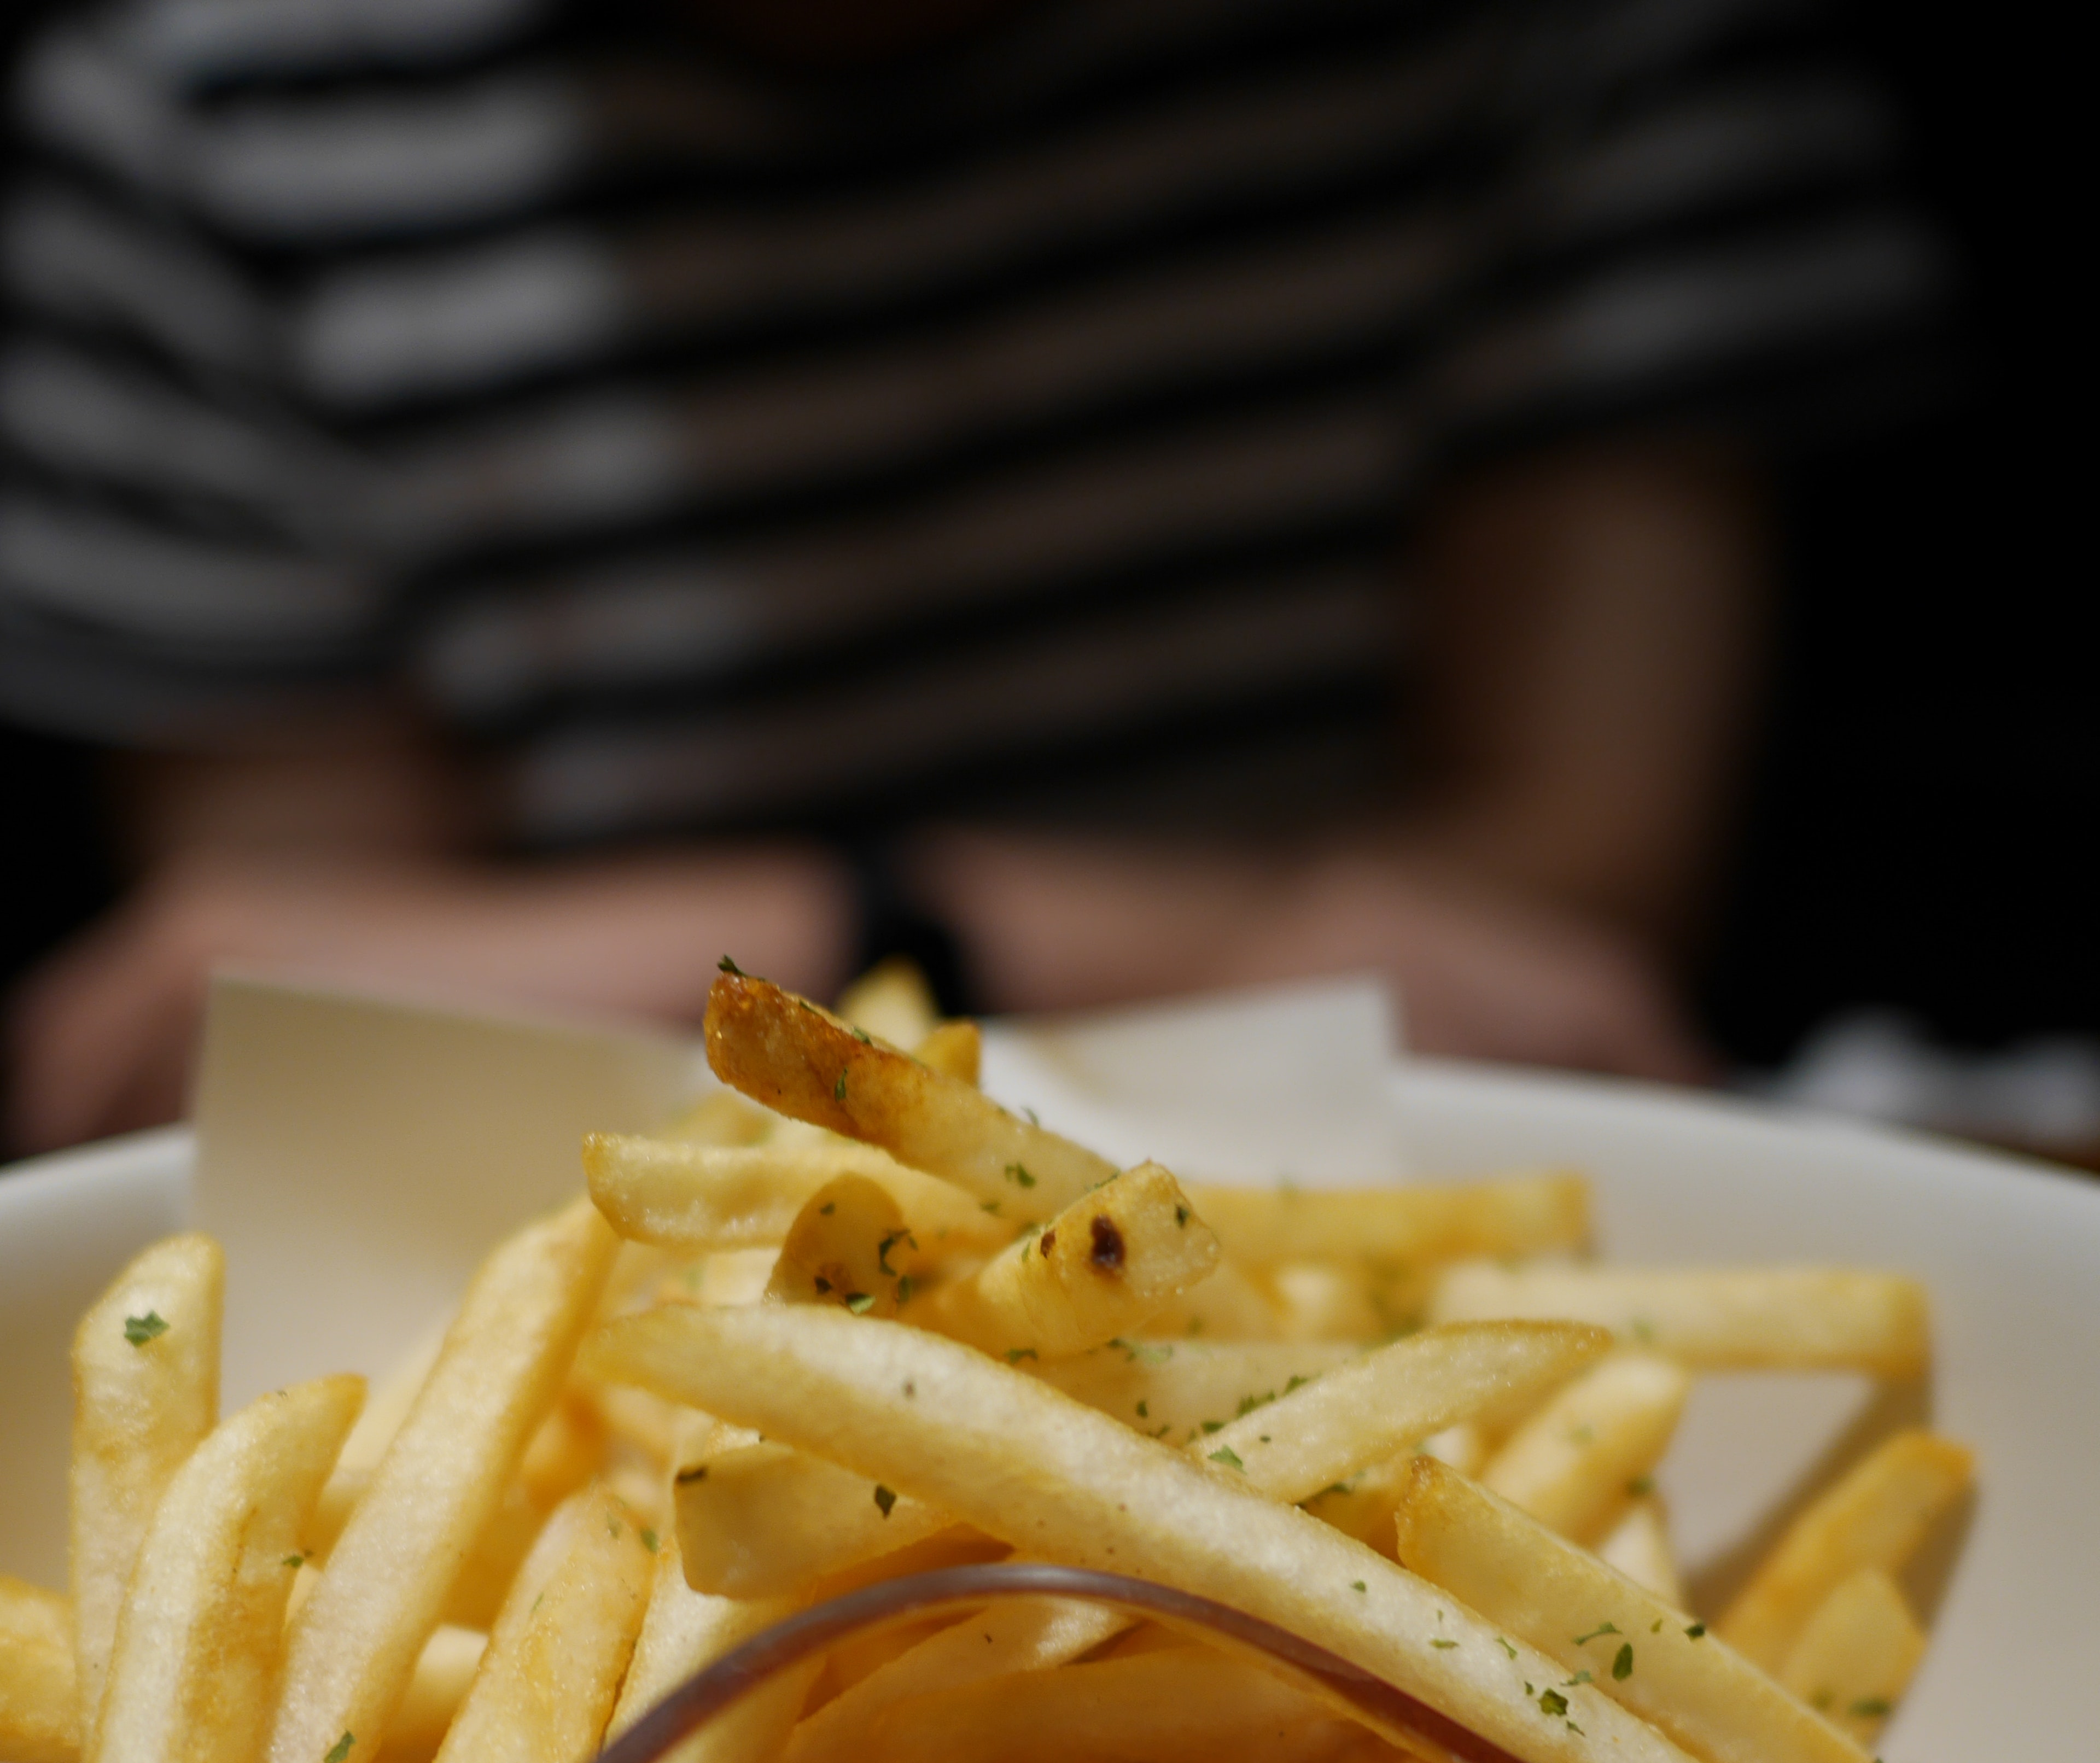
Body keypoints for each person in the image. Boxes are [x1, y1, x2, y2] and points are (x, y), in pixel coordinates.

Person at [0, 0, 1945, 1151]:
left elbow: (1571, 921)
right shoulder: (198, 106)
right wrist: (1107, 941)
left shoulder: (1564, 41)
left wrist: (838, 925)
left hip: (1422, 1213)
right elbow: (285, 1035)